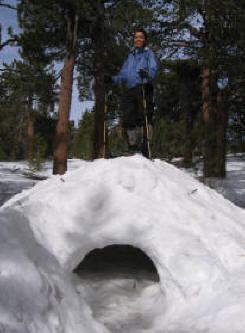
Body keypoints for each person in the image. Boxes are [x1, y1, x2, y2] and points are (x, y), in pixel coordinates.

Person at [104, 28, 158, 157]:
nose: (138, 39)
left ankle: (146, 146)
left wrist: (147, 74)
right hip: (130, 89)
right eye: (136, 37)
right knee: (128, 118)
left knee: (145, 115)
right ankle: (132, 146)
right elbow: (123, 75)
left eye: (140, 37)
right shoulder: (130, 56)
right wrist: (112, 79)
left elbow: (154, 68)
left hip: (144, 86)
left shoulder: (148, 54)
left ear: (145, 39)